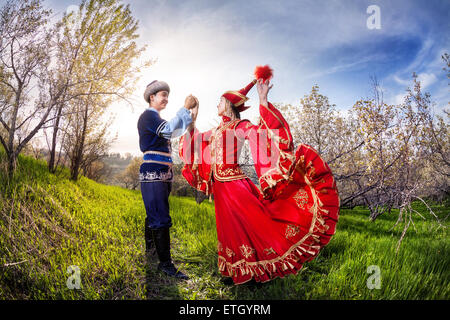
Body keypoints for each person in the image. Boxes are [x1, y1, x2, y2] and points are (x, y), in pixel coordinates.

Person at [179, 66, 340, 284]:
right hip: (221, 187)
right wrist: (193, 119)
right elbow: (195, 142)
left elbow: (263, 137)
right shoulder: (216, 131)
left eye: (219, 101)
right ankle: (236, 269)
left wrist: (263, 100)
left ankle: (256, 269)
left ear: (227, 104)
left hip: (235, 186)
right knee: (229, 230)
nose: (216, 105)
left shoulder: (240, 126)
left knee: (252, 225)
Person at [138, 80, 198, 280]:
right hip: (153, 171)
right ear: (152, 97)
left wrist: (191, 117)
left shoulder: (157, 119)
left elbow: (174, 131)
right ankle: (166, 265)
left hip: (161, 171)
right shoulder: (149, 116)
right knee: (160, 216)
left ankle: (152, 252)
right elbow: (167, 130)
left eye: (167, 95)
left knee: (154, 212)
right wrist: (185, 107)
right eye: (162, 94)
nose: (166, 98)